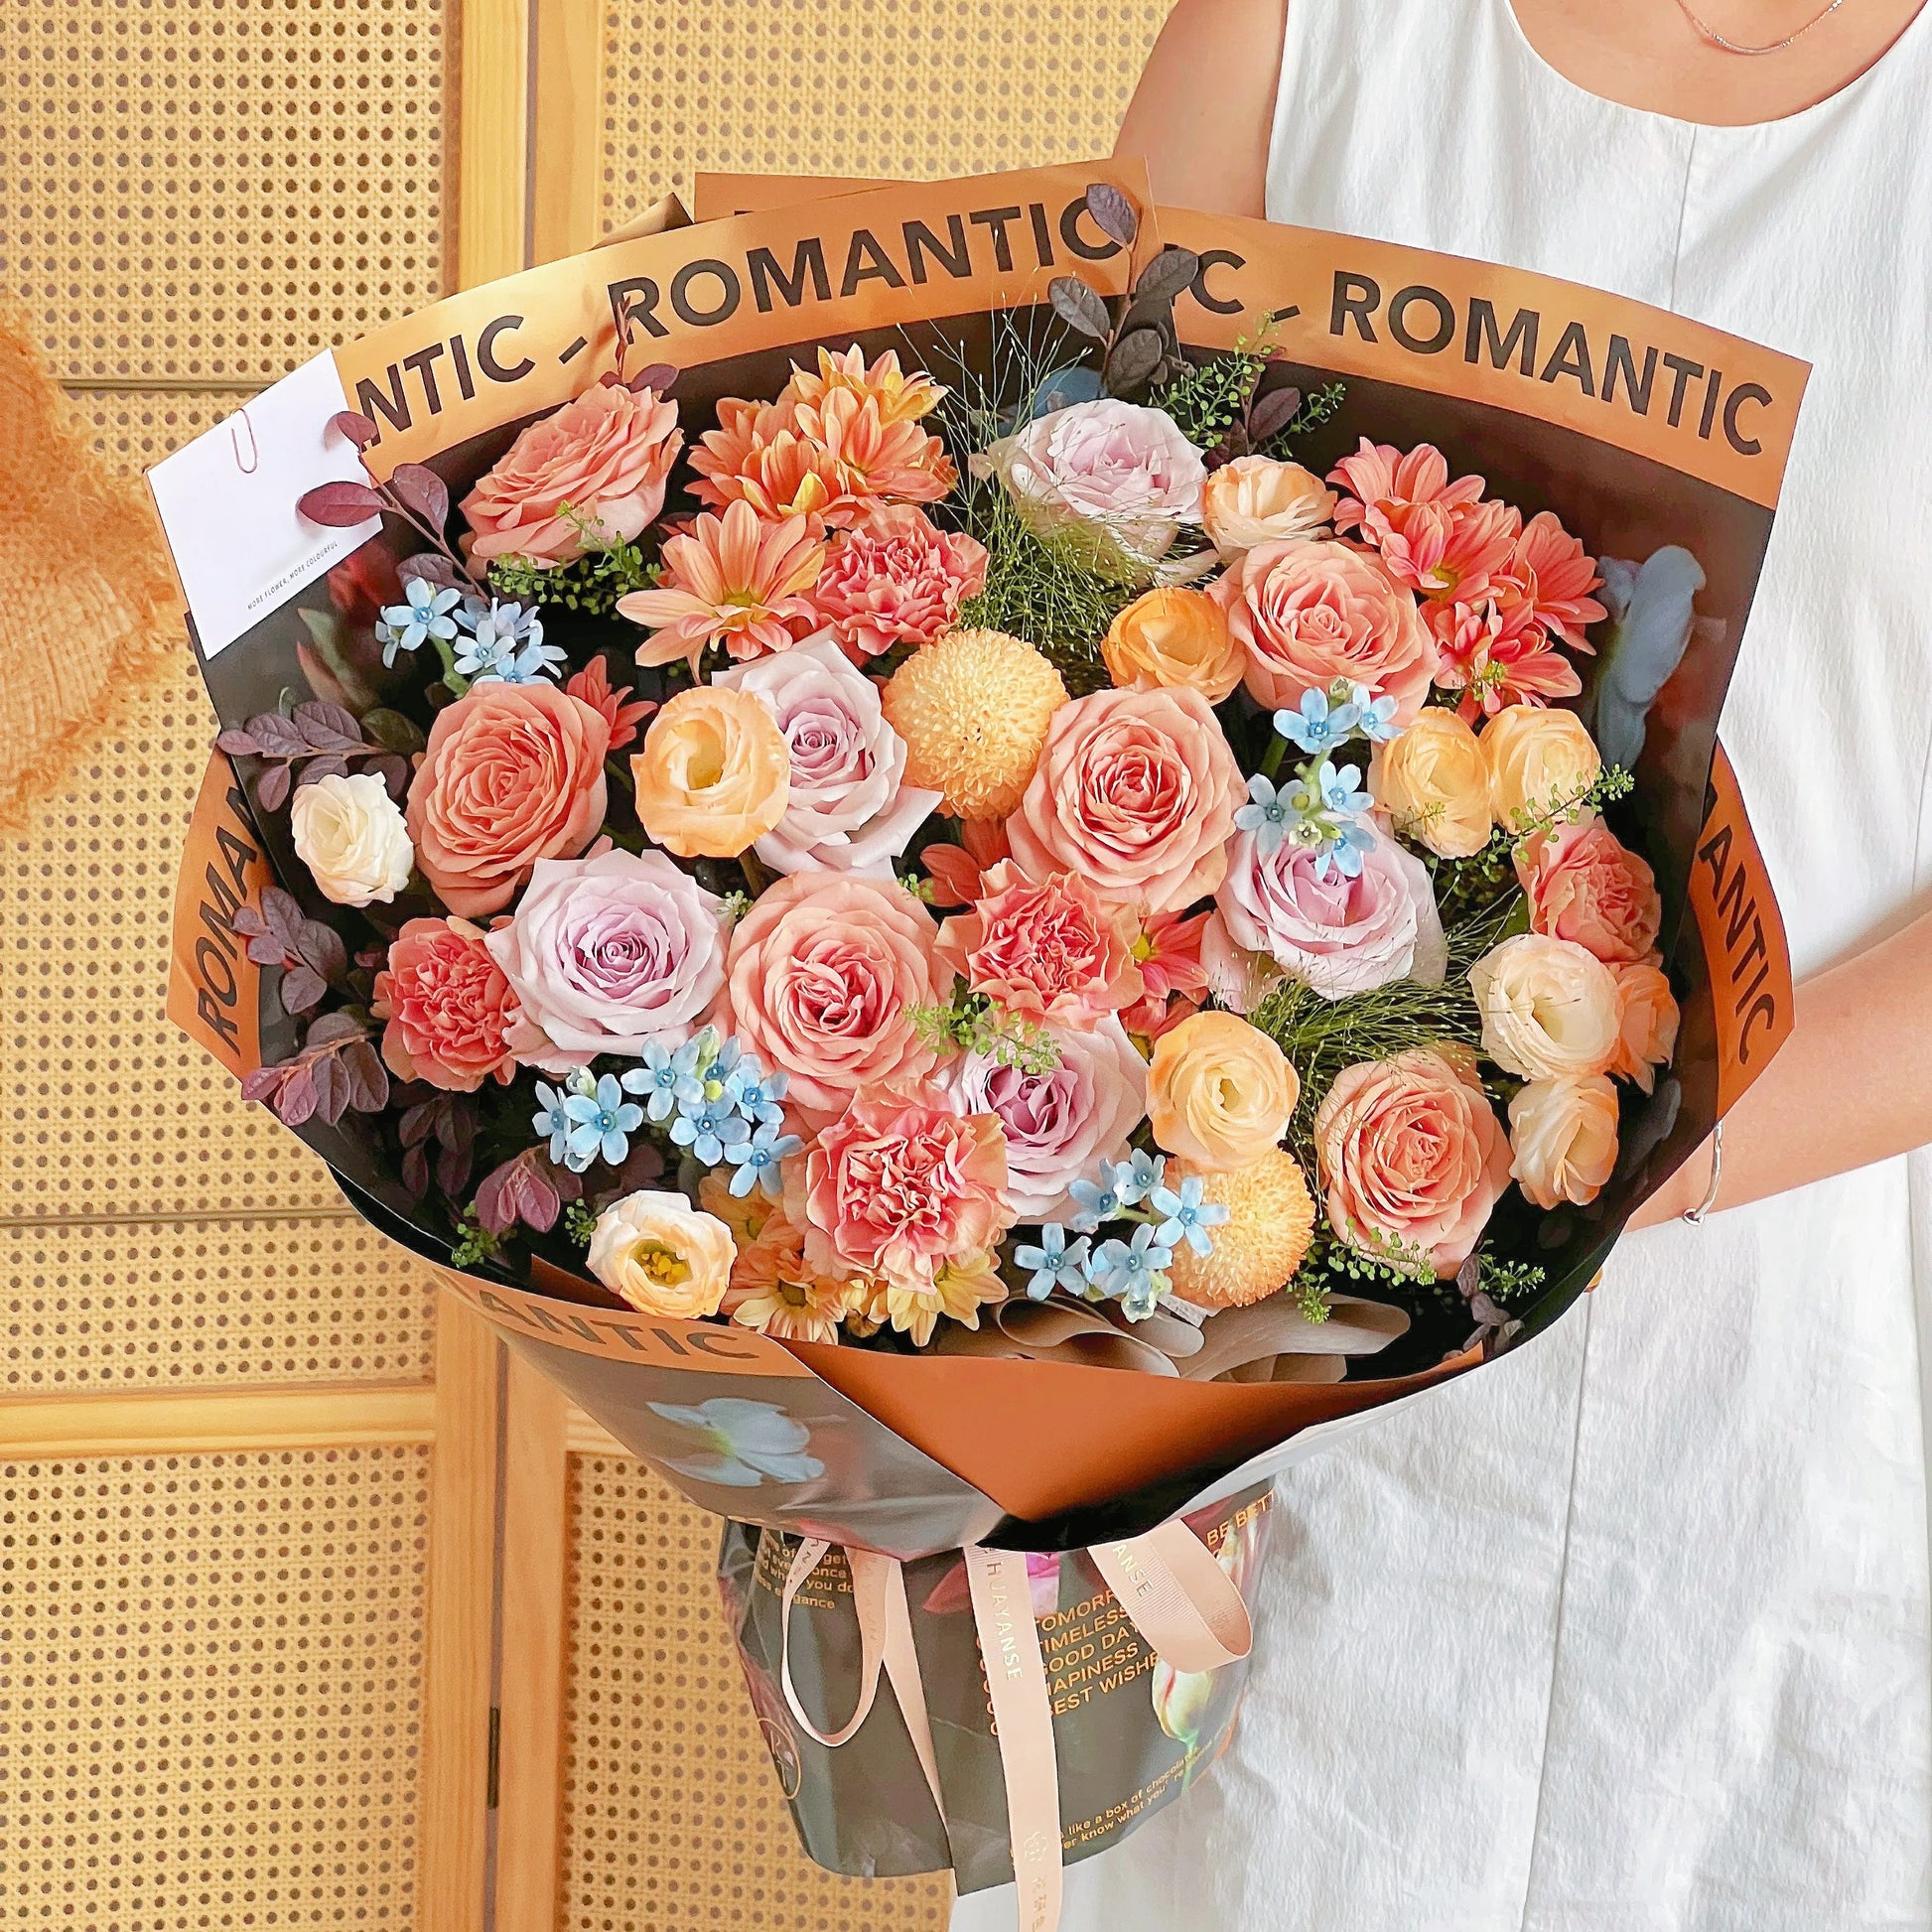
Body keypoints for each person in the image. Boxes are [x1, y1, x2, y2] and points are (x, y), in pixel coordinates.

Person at [954, 2, 1932, 1926]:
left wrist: (1611, 1160)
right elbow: (1052, 590)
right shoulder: (1302, 27)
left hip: (1820, 1385)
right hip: (1285, 1359)